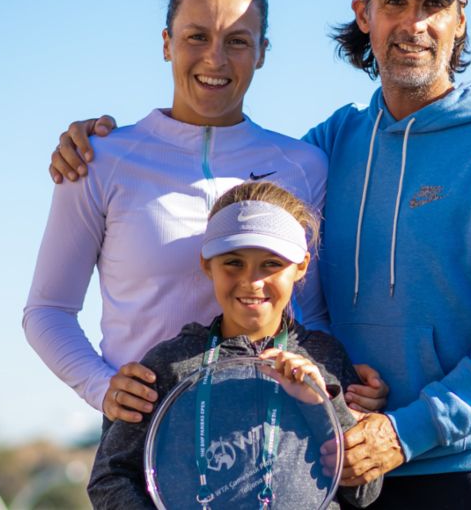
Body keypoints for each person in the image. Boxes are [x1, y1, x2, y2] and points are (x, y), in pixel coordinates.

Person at [52, 0, 471, 508]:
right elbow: (230, 180)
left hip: (468, 463)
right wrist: (97, 142)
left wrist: (407, 431)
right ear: (363, 14)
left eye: (434, 4)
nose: (414, 23)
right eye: (394, 1)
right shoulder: (332, 144)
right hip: (345, 464)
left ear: (460, 21)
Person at [24, 0, 386, 429]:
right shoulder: (98, 159)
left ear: (262, 53)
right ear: (166, 43)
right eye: (197, 36)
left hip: (275, 436)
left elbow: (310, 315)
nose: (215, 59)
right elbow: (47, 310)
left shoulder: (304, 165)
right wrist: (101, 386)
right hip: (146, 435)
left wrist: (340, 382)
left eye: (237, 41)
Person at [88, 182, 380, 509]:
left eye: (271, 263)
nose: (252, 281)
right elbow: (110, 476)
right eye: (233, 262)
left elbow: (365, 491)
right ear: (206, 263)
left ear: (301, 266)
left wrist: (321, 405)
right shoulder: (169, 364)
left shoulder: (324, 359)